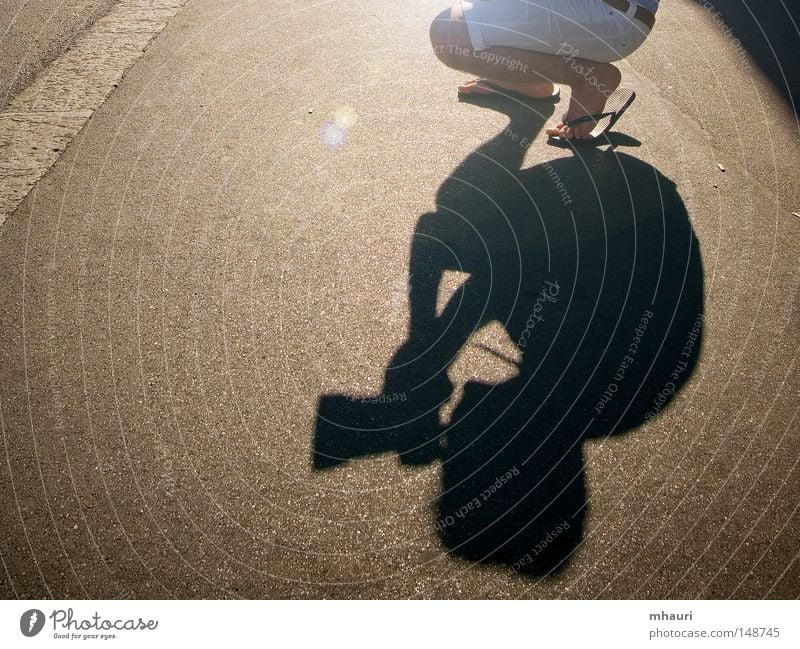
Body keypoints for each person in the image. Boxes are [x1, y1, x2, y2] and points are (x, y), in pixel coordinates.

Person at [430, 0, 659, 141]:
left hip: (614, 13)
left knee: (451, 33)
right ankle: (528, 81)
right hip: (611, 14)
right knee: (456, 25)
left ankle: (587, 78)